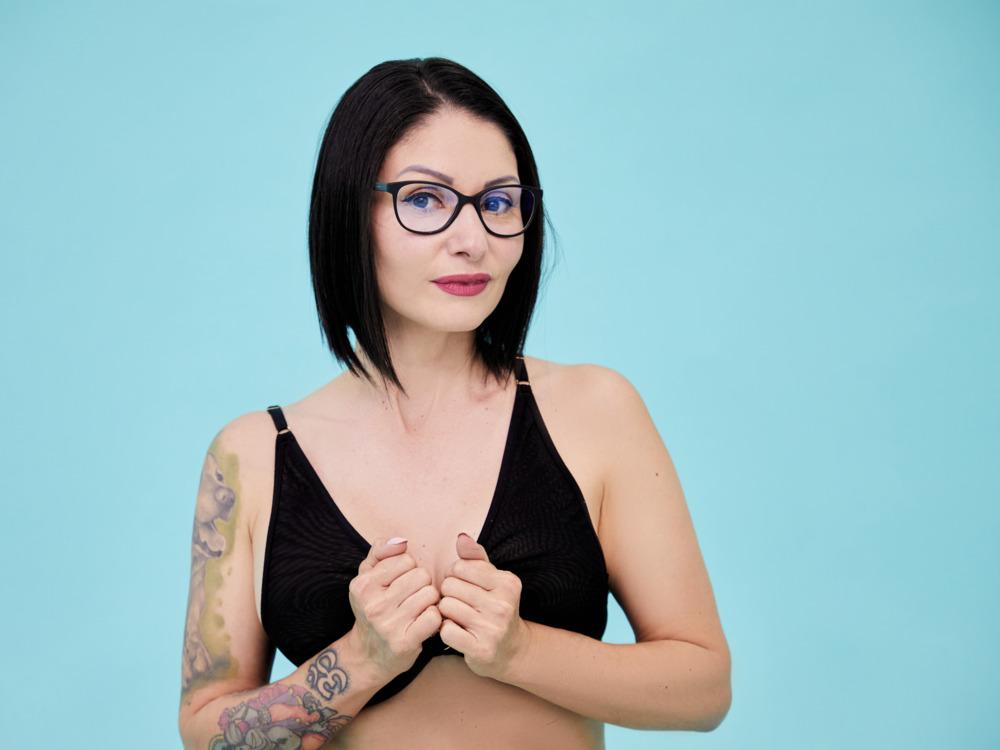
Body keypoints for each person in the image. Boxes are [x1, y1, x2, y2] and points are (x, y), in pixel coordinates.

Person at [177, 56, 731, 749]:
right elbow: (206, 734)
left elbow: (704, 689)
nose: (472, 241)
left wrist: (521, 651)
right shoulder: (250, 458)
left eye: (498, 202)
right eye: (424, 199)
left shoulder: (596, 411)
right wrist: (360, 661)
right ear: (349, 212)